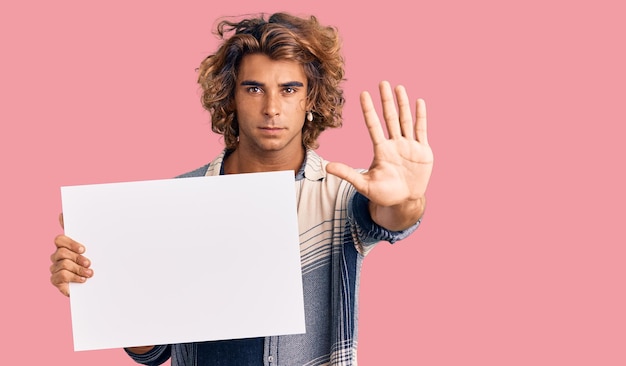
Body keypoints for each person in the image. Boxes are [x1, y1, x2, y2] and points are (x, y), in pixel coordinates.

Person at [49, 12, 433, 366]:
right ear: (231, 97)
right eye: (253, 89)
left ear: (310, 99)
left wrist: (409, 199)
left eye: (288, 89)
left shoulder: (341, 193)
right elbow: (155, 350)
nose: (271, 107)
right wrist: (102, 291)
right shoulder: (179, 199)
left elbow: (390, 218)